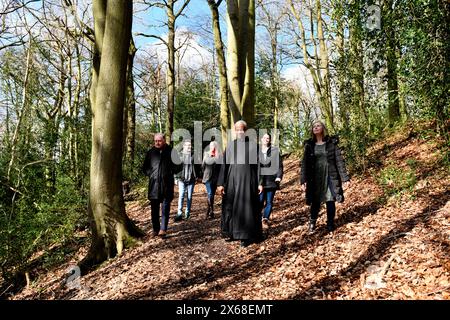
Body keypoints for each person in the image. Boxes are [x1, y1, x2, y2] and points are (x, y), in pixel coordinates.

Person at [217, 120, 263, 248]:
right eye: (237, 129)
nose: (239, 132)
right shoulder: (231, 146)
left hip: (248, 180)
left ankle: (245, 236)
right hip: (232, 180)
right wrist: (221, 183)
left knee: (246, 208)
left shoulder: (254, 146)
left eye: (241, 129)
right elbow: (224, 165)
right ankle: (231, 232)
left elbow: (259, 165)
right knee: (230, 207)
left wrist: (260, 182)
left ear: (246, 130)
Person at [300, 120, 350, 233]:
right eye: (314, 126)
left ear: (323, 128)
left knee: (330, 199)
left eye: (318, 126)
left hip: (329, 176)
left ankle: (330, 224)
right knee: (315, 201)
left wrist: (345, 178)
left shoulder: (331, 143)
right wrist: (303, 180)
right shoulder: (309, 145)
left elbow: (339, 161)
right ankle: (312, 222)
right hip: (315, 178)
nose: (316, 128)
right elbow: (304, 164)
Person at [142, 133, 181, 237]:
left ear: (164, 140)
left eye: (159, 141)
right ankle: (156, 229)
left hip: (166, 185)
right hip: (154, 185)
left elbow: (179, 166)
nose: (157, 143)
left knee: (165, 208)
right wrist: (150, 174)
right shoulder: (151, 152)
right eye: (155, 141)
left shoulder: (171, 151)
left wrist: (170, 172)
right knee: (154, 209)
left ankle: (163, 229)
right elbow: (144, 167)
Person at [259, 133, 283, 228]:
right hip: (259, 181)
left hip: (271, 180)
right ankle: (258, 218)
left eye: (268, 138)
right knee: (260, 201)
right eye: (264, 138)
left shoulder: (275, 151)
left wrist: (279, 176)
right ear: (261, 139)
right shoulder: (257, 151)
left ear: (270, 140)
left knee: (269, 201)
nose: (266, 139)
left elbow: (279, 165)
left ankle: (265, 218)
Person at [174, 140, 201, 221]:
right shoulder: (179, 155)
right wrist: (175, 178)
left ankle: (187, 213)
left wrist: (197, 176)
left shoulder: (194, 155)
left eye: (190, 145)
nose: (189, 147)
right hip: (182, 179)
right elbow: (176, 167)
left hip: (191, 179)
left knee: (189, 196)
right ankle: (179, 213)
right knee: (181, 195)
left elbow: (197, 166)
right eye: (187, 145)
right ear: (184, 146)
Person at [202, 141, 222, 219]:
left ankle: (208, 210)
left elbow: (220, 167)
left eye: (213, 145)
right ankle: (211, 211)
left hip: (215, 178)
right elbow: (203, 165)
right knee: (210, 194)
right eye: (211, 145)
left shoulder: (219, 155)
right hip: (208, 177)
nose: (212, 147)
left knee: (212, 195)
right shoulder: (206, 154)